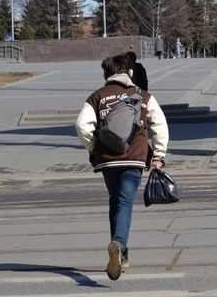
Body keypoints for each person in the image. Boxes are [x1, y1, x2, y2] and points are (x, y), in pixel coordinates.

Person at [75, 54, 168, 281]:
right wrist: (158, 155)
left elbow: (81, 125)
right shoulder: (143, 96)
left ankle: (121, 253)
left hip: (107, 159)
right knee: (125, 202)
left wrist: (93, 147)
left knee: (115, 201)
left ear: (106, 74)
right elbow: (160, 124)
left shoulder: (97, 96)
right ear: (129, 73)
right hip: (134, 157)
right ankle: (118, 244)